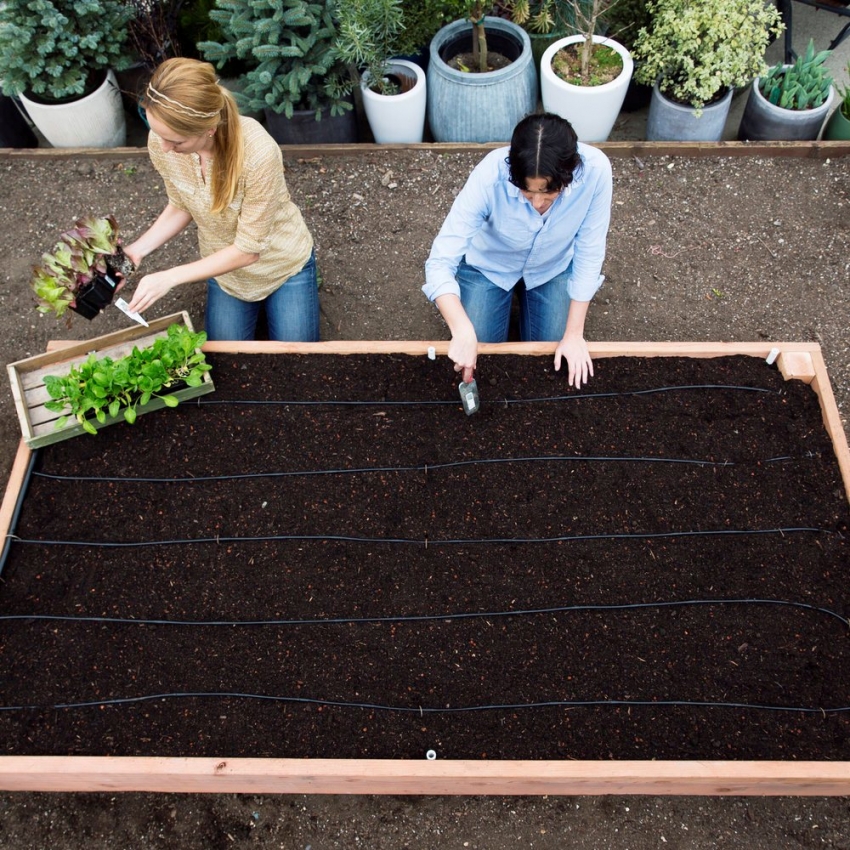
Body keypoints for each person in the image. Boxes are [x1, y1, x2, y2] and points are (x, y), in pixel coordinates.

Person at [124, 58, 319, 341]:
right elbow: (181, 204)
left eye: (176, 141)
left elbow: (249, 250)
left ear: (208, 129)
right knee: (224, 362)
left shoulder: (258, 155)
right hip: (226, 272)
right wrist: (136, 251)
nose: (163, 147)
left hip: (282, 265)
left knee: (298, 362)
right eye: (157, 133)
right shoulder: (161, 141)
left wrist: (170, 277)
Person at [423, 112, 612, 389]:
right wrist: (462, 330)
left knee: (553, 352)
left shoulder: (596, 172)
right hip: (489, 267)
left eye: (548, 195)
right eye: (527, 192)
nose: (537, 203)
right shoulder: (490, 175)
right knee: (480, 348)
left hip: (552, 267)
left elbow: (589, 251)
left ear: (570, 173)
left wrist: (574, 334)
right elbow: (440, 261)